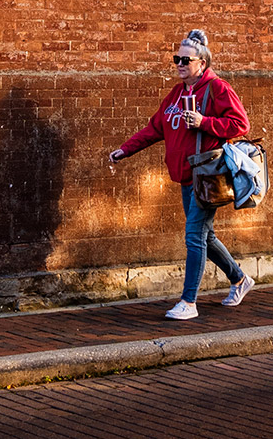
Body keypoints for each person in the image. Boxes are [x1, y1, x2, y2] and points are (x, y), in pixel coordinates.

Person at [108, 28, 256, 319]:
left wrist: (205, 122)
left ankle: (188, 303)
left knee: (194, 237)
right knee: (205, 236)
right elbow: (155, 129)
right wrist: (125, 150)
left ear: (202, 63)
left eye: (186, 60)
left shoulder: (217, 89)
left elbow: (240, 124)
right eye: (177, 58)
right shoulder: (177, 94)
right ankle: (240, 279)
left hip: (207, 175)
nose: (179, 64)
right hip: (185, 177)